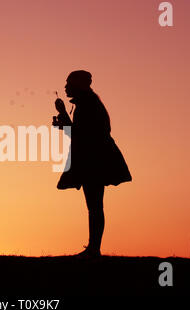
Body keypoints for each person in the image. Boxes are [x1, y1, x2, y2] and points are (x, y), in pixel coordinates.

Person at [53, 70, 132, 257]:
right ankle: (93, 247)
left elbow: (81, 134)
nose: (65, 87)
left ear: (77, 85)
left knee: (95, 205)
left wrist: (63, 115)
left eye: (68, 83)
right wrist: (64, 116)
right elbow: (80, 133)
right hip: (95, 158)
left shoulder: (87, 105)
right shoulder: (89, 103)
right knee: (95, 205)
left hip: (94, 160)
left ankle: (94, 249)